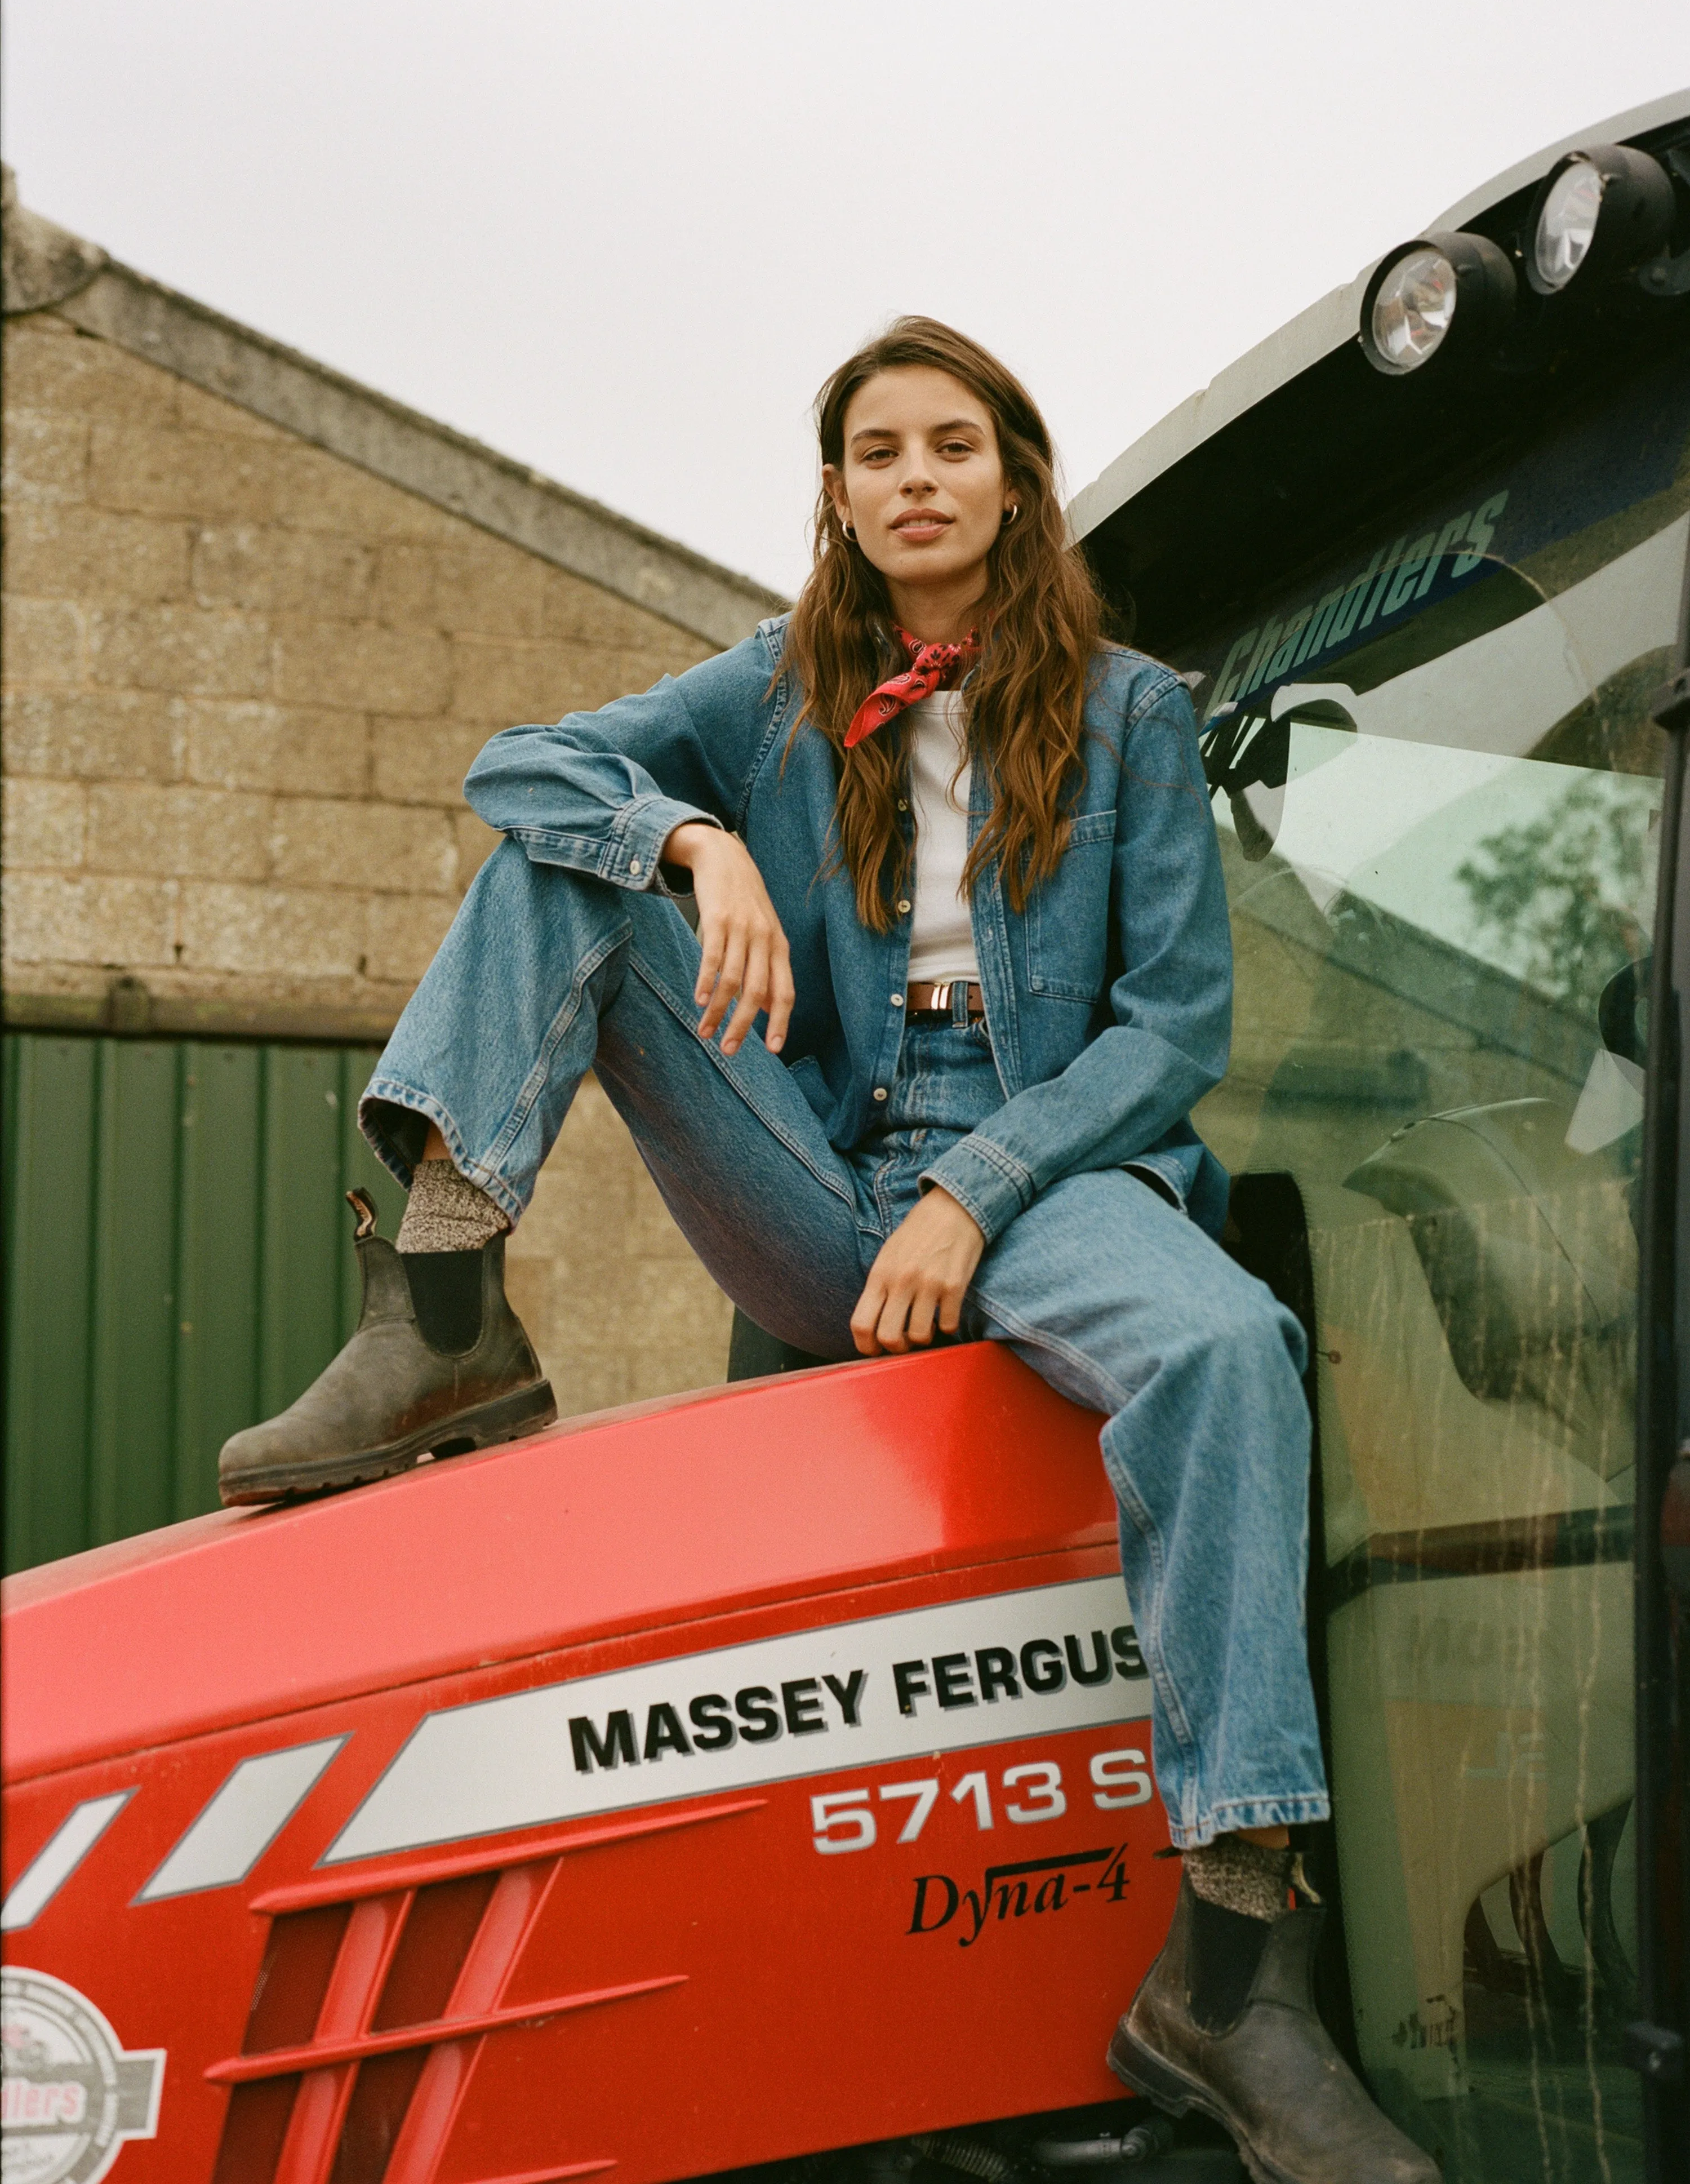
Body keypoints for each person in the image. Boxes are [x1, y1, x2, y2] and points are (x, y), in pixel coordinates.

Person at [218, 318, 1436, 2184]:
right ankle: (446, 1305)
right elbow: (516, 768)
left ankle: (1233, 1967)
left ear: (1013, 475)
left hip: (1051, 1169)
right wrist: (697, 842)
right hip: (812, 1169)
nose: (917, 479)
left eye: (954, 444)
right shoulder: (774, 691)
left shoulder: (1127, 712)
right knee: (570, 862)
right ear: (840, 493)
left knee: (1220, 1350)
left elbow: (1171, 1030)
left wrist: (984, 1186)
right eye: (879, 452)